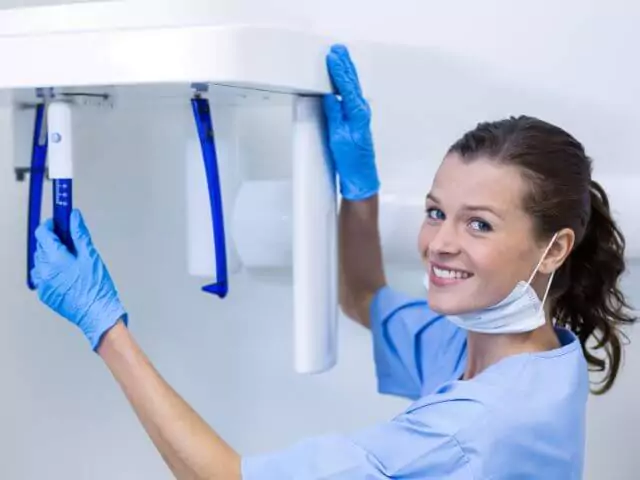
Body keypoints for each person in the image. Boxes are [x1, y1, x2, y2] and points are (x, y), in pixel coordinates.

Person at [30, 44, 637, 479]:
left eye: (478, 223)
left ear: (555, 246)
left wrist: (104, 325)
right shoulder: (517, 350)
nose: (440, 243)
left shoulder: (474, 427)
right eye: (435, 211)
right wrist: (360, 187)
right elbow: (363, 296)